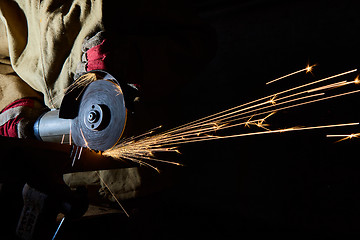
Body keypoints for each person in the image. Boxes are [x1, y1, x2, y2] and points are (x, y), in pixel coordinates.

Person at [0, 0, 216, 222]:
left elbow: (197, 39)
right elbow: (2, 64)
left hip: (145, 174)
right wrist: (17, 109)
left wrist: (131, 60)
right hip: (68, 186)